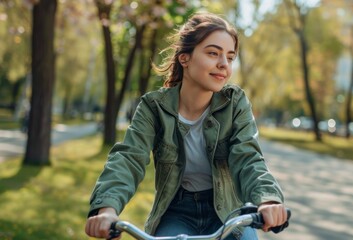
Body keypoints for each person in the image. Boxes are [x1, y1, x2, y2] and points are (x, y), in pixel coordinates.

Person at [85, 12, 288, 240]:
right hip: (176, 212)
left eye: (230, 57)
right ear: (185, 58)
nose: (224, 64)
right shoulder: (154, 107)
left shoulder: (235, 103)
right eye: (213, 53)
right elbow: (129, 157)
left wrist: (268, 199)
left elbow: (248, 157)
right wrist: (107, 209)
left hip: (228, 211)